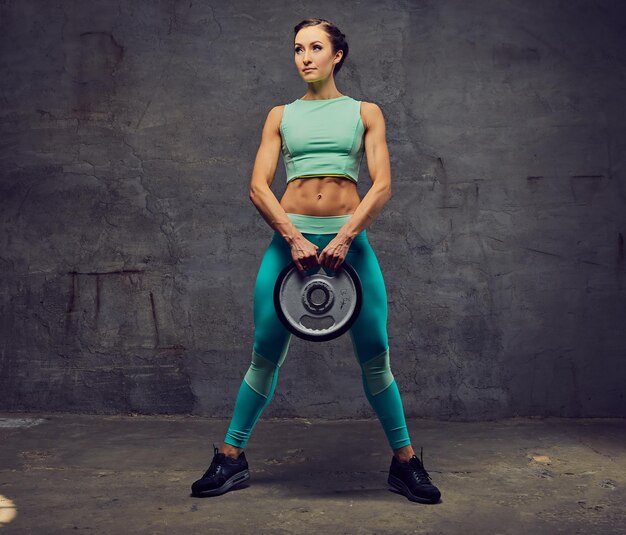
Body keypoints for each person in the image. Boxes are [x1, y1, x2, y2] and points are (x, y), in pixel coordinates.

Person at [191, 18, 441, 505]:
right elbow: (258, 186)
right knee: (265, 351)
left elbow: (382, 184)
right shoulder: (279, 115)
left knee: (375, 353)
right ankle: (231, 458)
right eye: (298, 48)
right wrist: (292, 236)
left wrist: (347, 235)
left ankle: (406, 463)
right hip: (290, 245)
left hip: (349, 242)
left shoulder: (365, 112)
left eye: (315, 47)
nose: (305, 56)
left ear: (337, 56)